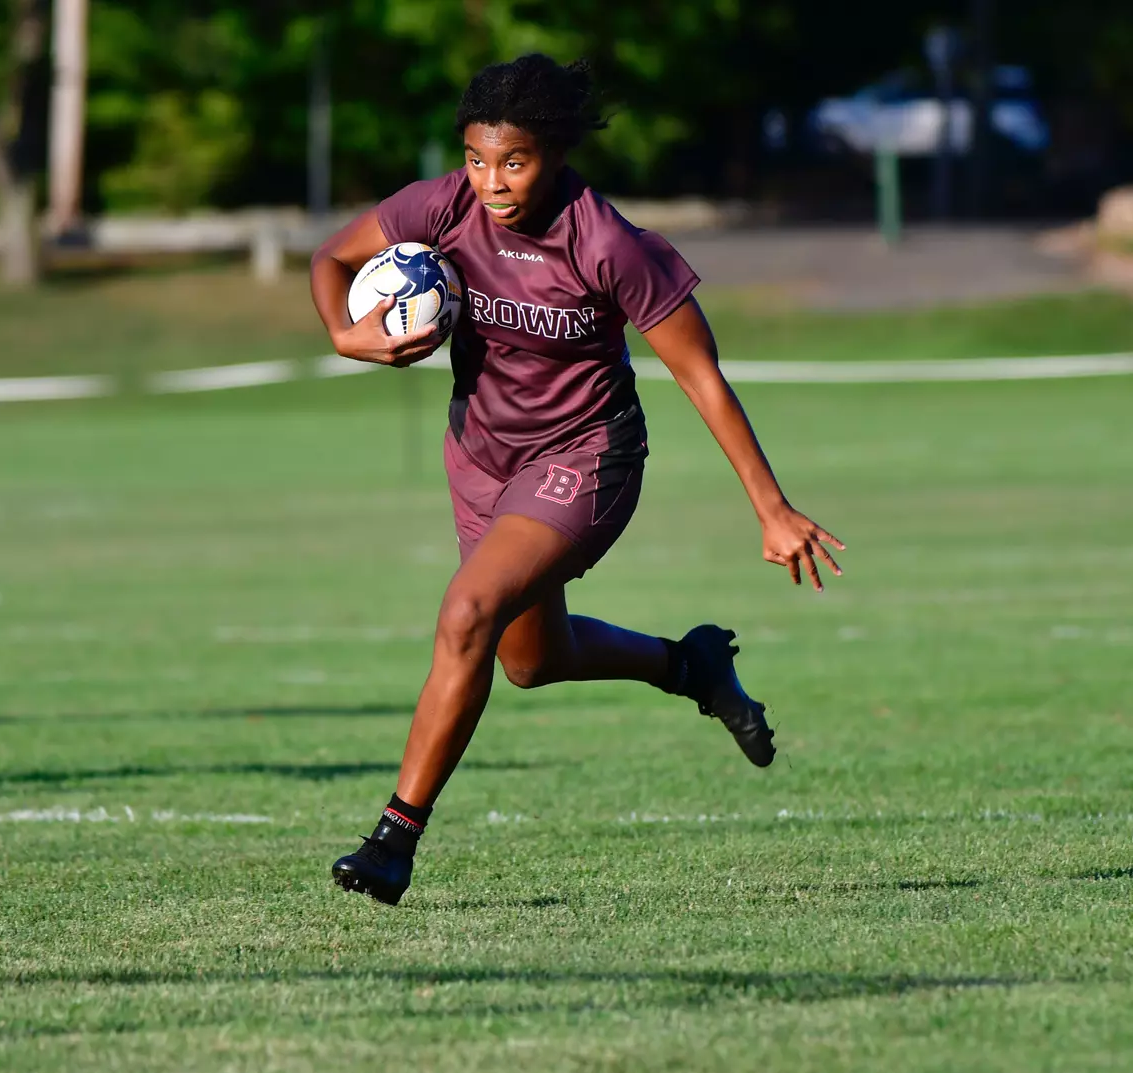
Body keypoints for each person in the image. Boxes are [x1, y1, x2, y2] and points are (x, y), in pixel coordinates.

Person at [308, 55, 845, 905]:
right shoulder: (443, 206)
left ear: (556, 153)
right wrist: (345, 336)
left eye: (514, 162)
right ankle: (691, 666)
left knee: (467, 610)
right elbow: (331, 260)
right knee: (530, 660)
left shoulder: (607, 244)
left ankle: (392, 842)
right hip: (481, 457)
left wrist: (770, 507)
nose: (492, 182)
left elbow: (702, 377)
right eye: (477, 159)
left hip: (586, 456)